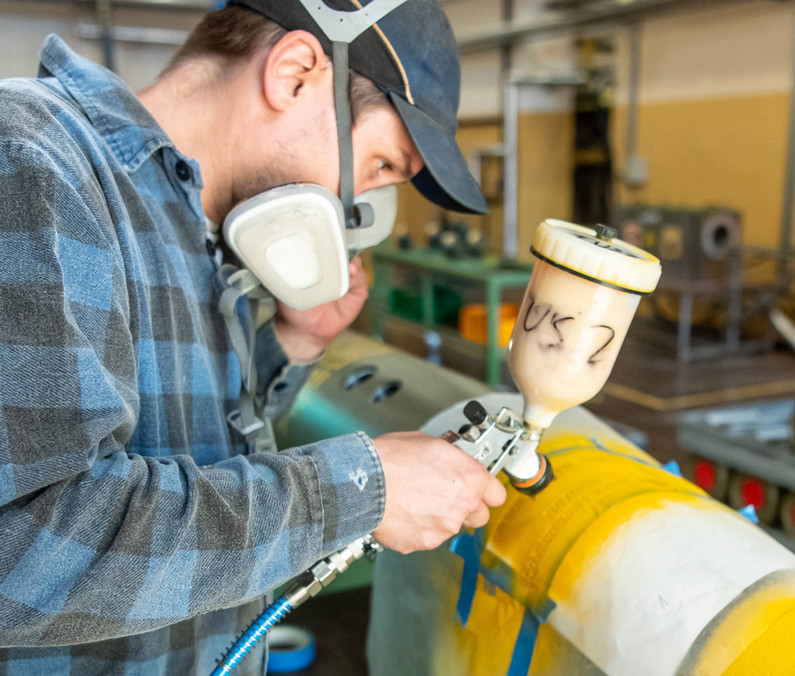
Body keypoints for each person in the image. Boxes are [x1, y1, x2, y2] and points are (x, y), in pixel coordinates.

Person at [0, 0, 504, 673]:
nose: (360, 211)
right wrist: (361, 488)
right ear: (296, 74)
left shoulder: (203, 221)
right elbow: (28, 550)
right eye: (381, 166)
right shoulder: (36, 163)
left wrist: (293, 345)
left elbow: (190, 450)